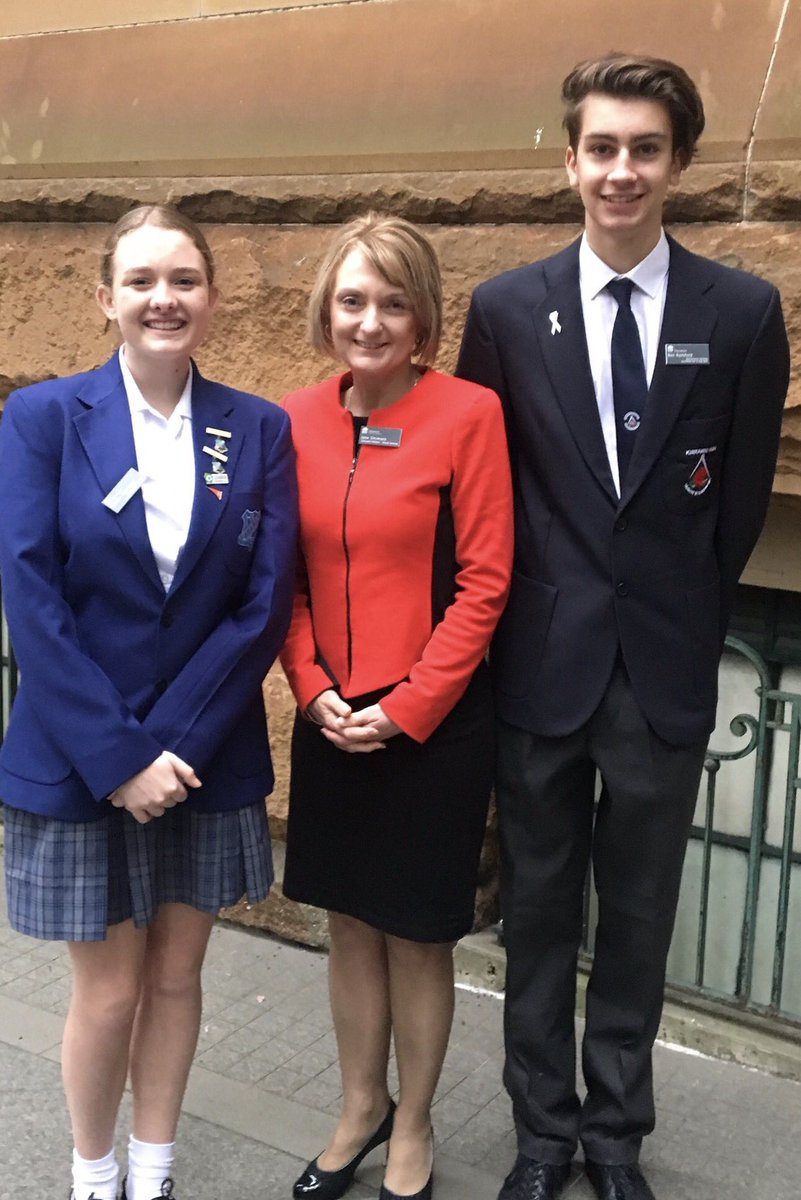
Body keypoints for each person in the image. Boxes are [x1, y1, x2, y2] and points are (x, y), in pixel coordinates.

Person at [456, 54, 790, 1200]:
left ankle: (614, 1143)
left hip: (661, 673)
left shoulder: (741, 312)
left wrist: (675, 609)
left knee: (639, 920)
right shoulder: (505, 310)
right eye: (602, 147)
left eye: (645, 149)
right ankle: (543, 1137)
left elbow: (736, 505)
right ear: (570, 159)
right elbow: (482, 494)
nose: (622, 171)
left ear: (680, 164)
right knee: (537, 914)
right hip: (540, 666)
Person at [0, 204, 298, 1200]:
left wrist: (165, 750)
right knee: (112, 990)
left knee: (176, 978)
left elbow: (262, 606)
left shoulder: (256, 429)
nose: (162, 298)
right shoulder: (43, 418)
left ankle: (156, 1168)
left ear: (210, 297)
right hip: (86, 755)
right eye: (140, 281)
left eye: (182, 279)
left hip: (201, 755)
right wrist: (120, 756)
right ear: (106, 300)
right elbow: (32, 600)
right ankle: (94, 1174)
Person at [279, 213, 513, 1200]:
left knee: (417, 933)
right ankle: (358, 1106)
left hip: (431, 726)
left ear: (422, 317)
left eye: (391, 302)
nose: (369, 320)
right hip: (332, 714)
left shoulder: (468, 413)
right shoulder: (291, 418)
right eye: (352, 300)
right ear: (326, 309)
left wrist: (407, 707)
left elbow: (487, 584)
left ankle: (412, 1125)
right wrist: (314, 687)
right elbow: (277, 580)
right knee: (348, 924)